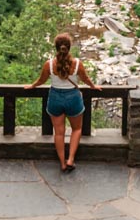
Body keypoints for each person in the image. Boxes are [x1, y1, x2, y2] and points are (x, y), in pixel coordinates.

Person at [26, 32, 101, 172]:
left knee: (59, 132)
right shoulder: (77, 64)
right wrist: (93, 87)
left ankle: (62, 163)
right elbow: (85, 79)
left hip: (55, 97)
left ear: (56, 47)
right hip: (73, 97)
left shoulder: (49, 64)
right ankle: (71, 159)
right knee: (77, 129)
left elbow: (41, 81)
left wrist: (32, 86)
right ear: (69, 47)